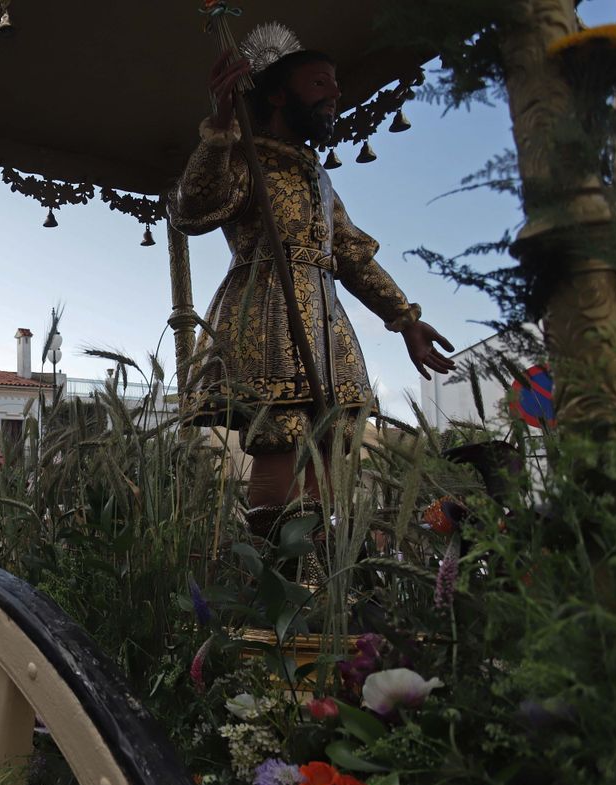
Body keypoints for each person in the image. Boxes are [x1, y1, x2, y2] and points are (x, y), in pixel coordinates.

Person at [171, 39, 455, 532]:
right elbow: (193, 209)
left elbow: (351, 254)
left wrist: (404, 318)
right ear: (279, 95)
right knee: (281, 440)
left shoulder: (316, 174)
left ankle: (318, 560)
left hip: (324, 321)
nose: (335, 95)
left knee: (329, 444)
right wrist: (220, 131)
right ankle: (278, 564)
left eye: (336, 85)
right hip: (267, 314)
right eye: (320, 83)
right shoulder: (245, 155)